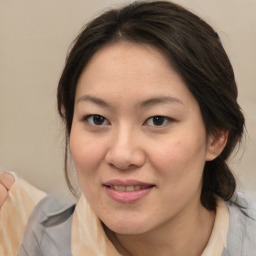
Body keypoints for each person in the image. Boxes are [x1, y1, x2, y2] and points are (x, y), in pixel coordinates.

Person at [0, 1, 256, 255]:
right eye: (97, 119)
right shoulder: (34, 240)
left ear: (217, 136)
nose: (121, 155)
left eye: (157, 120)